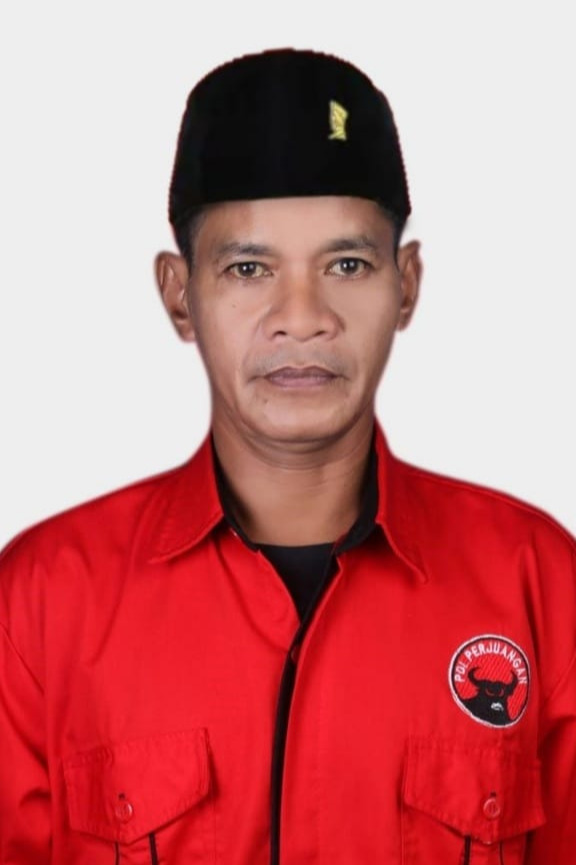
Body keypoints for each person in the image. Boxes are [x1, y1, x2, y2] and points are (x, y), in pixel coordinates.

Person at [0, 47, 574, 865]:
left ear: (407, 284)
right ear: (179, 294)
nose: (301, 317)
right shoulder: (42, 602)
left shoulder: (539, 583)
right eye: (248, 268)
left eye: (347, 264)